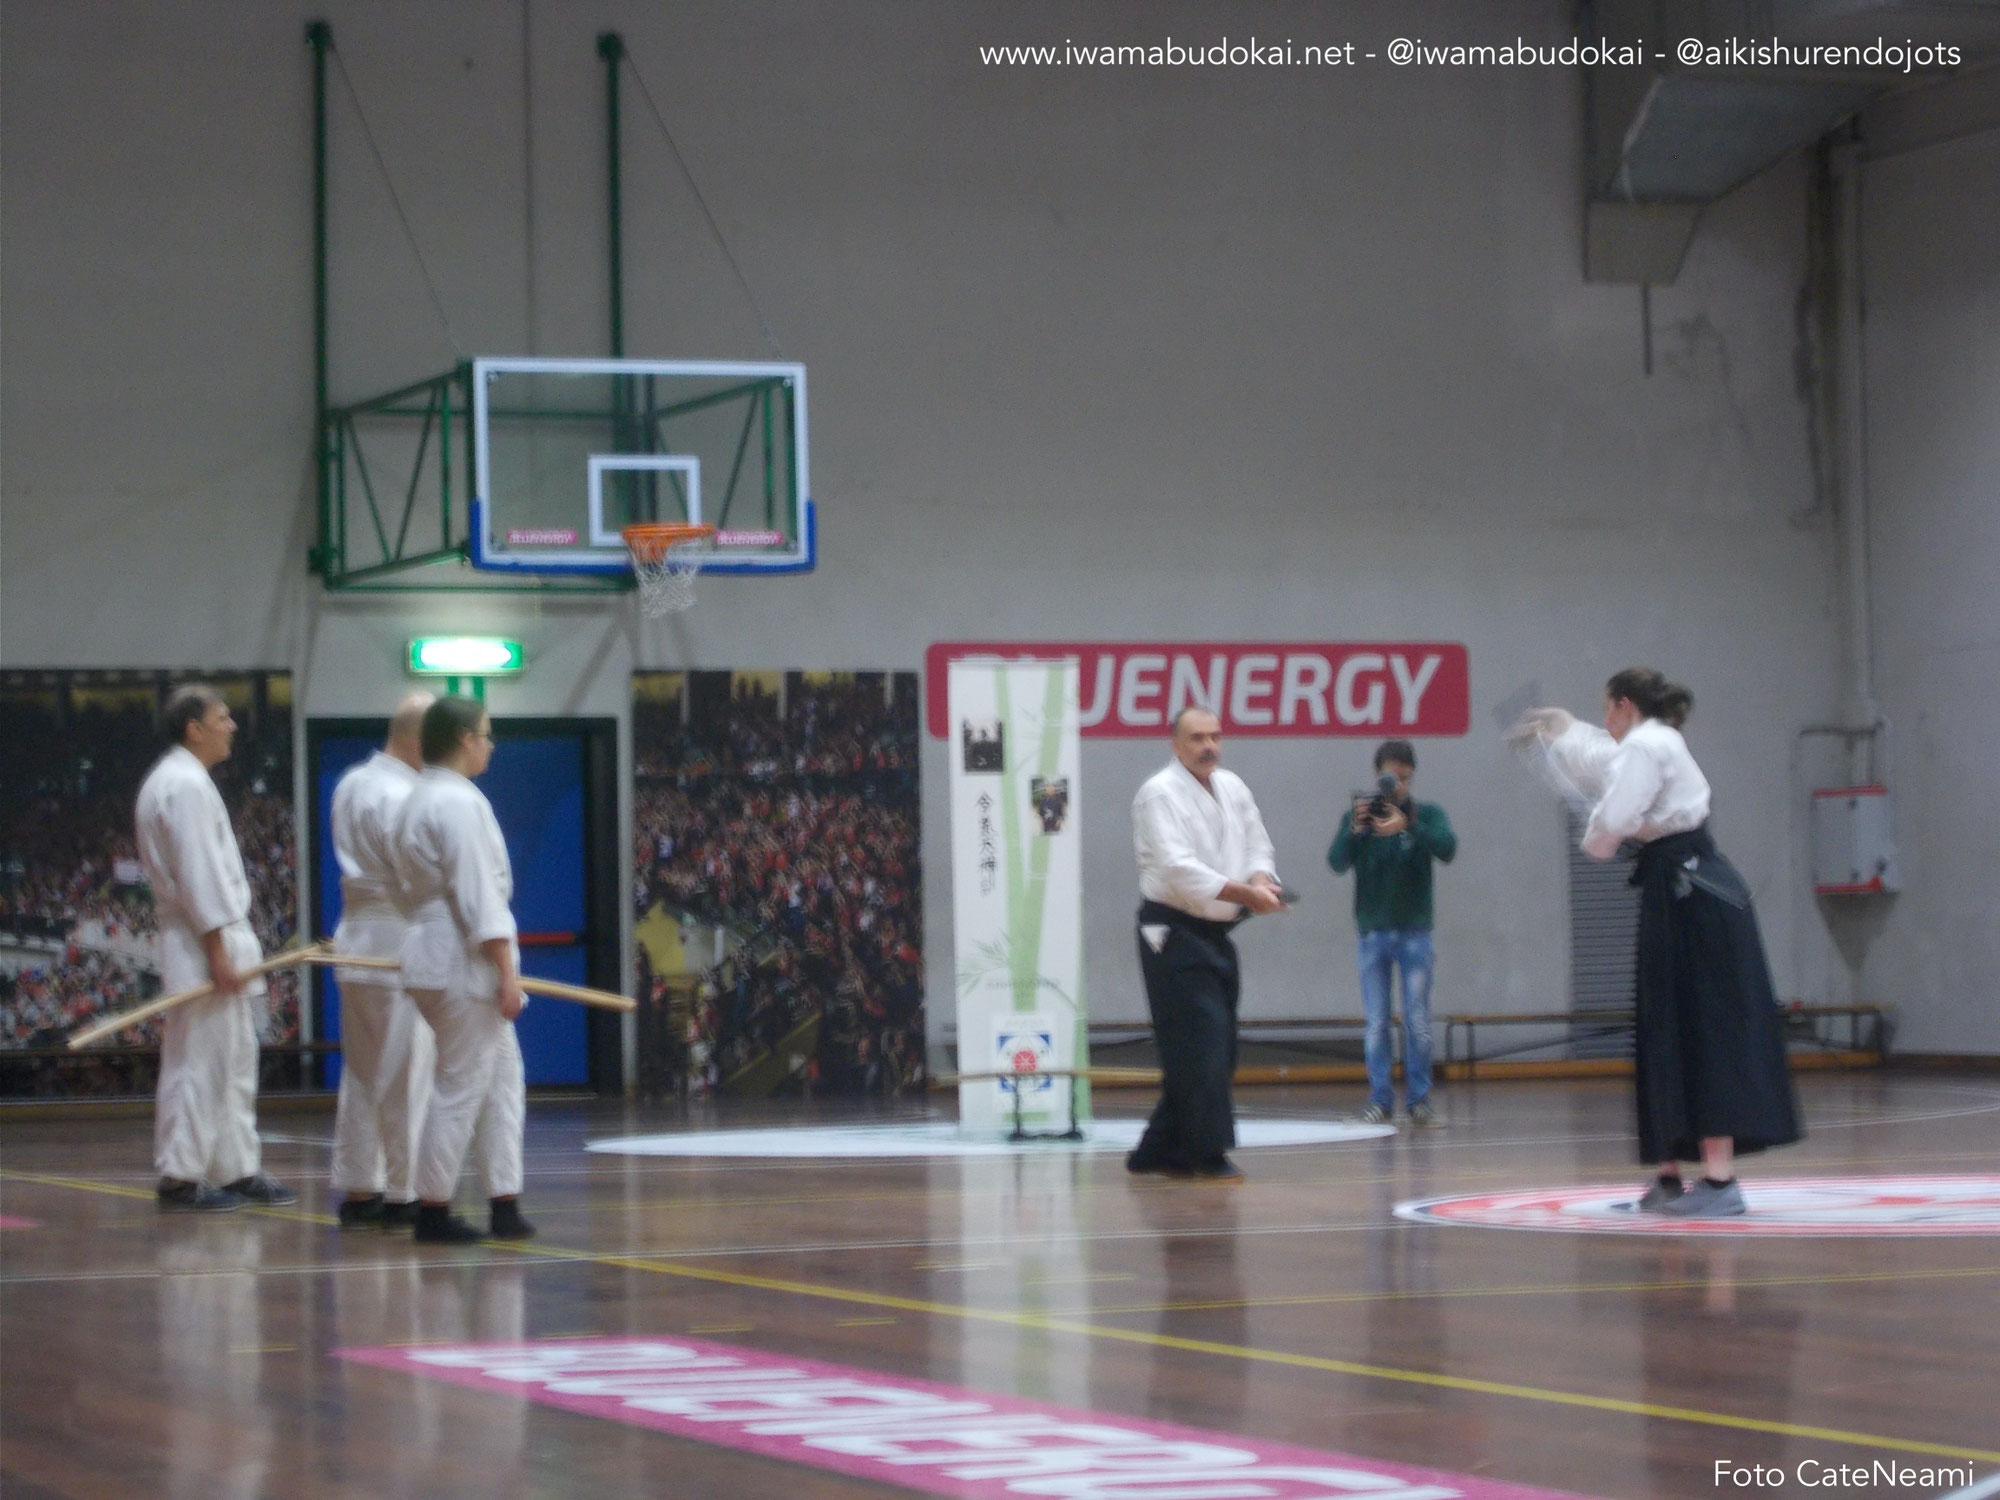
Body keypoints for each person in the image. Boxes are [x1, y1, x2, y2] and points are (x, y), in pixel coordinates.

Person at [1514, 667, 1801, 1217]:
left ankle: (1719, 1182)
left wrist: (1598, 835)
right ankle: (1671, 1177)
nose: (1604, 722)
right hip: (1677, 891)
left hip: (1694, 895)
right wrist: (1563, 729)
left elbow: (1615, 814)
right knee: (1664, 1027)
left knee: (1702, 1028)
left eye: (1605, 710)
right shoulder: (1644, 743)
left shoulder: (1648, 745)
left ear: (1623, 706)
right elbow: (1605, 760)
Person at [136, 684, 297, 1212]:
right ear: (194, 727)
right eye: (222, 717)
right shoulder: (182, 785)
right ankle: (181, 1175)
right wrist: (218, 954)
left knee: (232, 1059)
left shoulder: (186, 780)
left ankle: (234, 1167)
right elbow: (197, 875)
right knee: (198, 1060)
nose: (231, 726)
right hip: (203, 939)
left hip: (218, 935)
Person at [392, 696, 533, 1244]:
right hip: (461, 962)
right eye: (486, 735)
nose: (491, 745)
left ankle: (504, 1201)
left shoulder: (417, 797)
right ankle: (432, 1209)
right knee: (460, 1086)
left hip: (433, 950)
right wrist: (506, 972)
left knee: (501, 1081)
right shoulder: (458, 802)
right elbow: (478, 896)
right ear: (465, 739)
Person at [1128, 706, 1285, 1181]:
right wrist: (1248, 895)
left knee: (1211, 1043)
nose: (1208, 746)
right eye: (1197, 738)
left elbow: (1258, 844)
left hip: (1217, 931)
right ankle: (1204, 1151)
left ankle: (1157, 1148)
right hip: (1169, 931)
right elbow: (1179, 870)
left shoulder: (1232, 786)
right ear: (1176, 744)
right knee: (1203, 1041)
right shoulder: (1158, 794)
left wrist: (1262, 881)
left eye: (1215, 736)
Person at [328, 692, 435, 1230]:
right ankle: (404, 1190)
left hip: (356, 937)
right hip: (399, 938)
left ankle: (360, 1185)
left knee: (365, 1069)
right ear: (415, 739)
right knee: (407, 1070)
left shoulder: (351, 783)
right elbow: (416, 878)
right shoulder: (407, 796)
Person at [1326, 740, 1456, 1127]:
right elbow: (1335, 862)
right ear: (1376, 774)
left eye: (1402, 777)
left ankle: (1419, 1099)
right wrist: (1354, 830)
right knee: (1377, 1022)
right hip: (1373, 933)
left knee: (1417, 1021)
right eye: (1388, 776)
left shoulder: (1427, 814)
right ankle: (1379, 1099)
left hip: (1415, 932)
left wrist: (1411, 822)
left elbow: (1448, 849)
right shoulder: (1363, 816)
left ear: (1411, 775)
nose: (1394, 784)